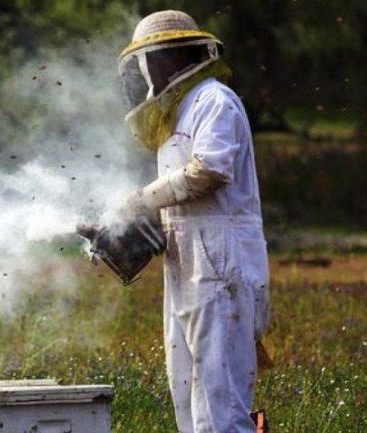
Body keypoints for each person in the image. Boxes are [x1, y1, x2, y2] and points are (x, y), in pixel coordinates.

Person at [113, 10, 270, 433]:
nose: (151, 71)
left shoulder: (214, 100)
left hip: (221, 263)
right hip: (186, 266)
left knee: (220, 408)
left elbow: (210, 172)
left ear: (179, 55)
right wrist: (137, 233)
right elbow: (179, 199)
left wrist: (141, 200)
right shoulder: (175, 118)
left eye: (156, 59)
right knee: (187, 398)